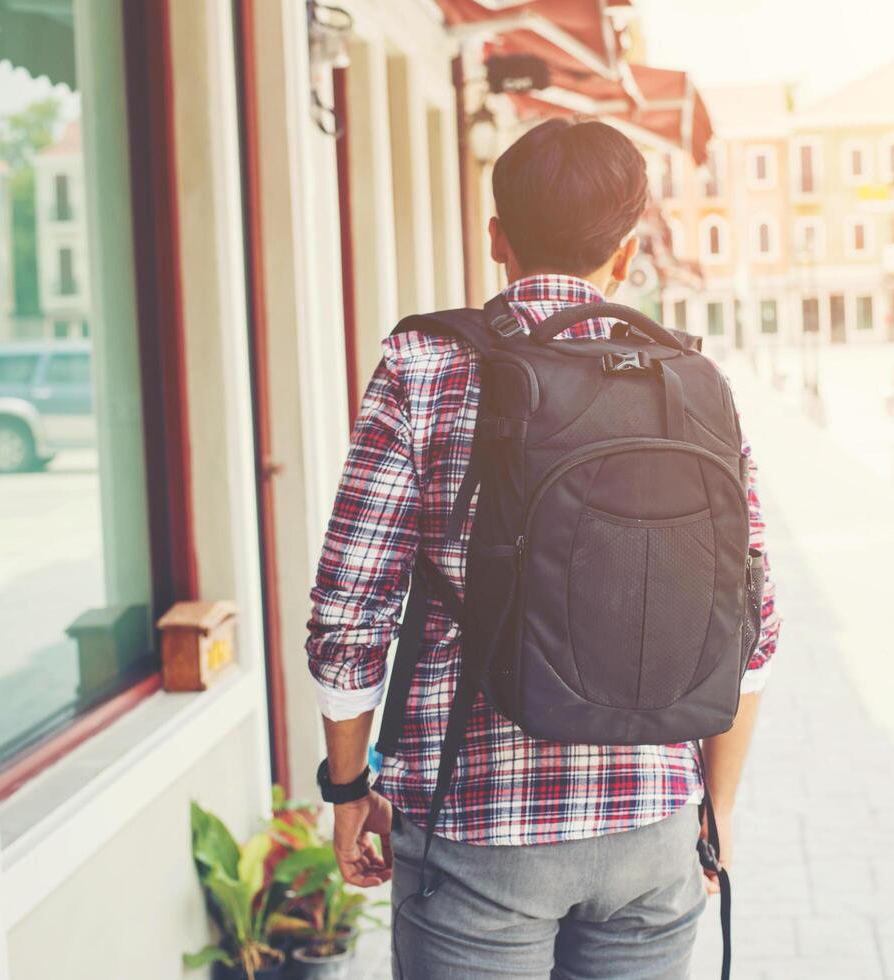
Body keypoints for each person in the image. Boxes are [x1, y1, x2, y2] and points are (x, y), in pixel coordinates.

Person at [306, 117, 780, 979]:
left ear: (496, 239)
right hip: (653, 820)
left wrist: (346, 793)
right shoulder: (693, 378)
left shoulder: (424, 366)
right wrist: (717, 812)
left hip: (475, 824)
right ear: (628, 253)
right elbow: (754, 627)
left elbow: (349, 611)